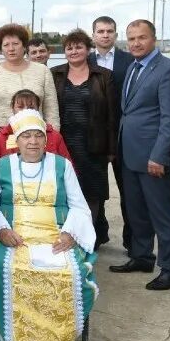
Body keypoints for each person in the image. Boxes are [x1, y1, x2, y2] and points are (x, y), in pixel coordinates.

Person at [0, 109, 97, 341]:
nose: (32, 142)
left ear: (46, 140)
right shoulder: (2, 165)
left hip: (53, 232)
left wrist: (69, 233)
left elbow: (79, 205)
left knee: (69, 272)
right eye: (26, 136)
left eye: (38, 136)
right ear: (16, 141)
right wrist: (0, 230)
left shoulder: (62, 165)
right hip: (14, 233)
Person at [108, 20, 170, 291]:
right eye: (131, 39)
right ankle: (141, 257)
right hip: (129, 155)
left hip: (153, 157)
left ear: (154, 39)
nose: (136, 43)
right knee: (136, 211)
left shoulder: (169, 71)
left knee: (161, 212)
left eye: (142, 38)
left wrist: (160, 156)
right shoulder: (132, 67)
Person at [51, 29, 117, 249]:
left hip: (94, 146)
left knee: (92, 193)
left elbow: (112, 115)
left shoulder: (104, 76)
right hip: (64, 144)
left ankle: (88, 239)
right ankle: (67, 236)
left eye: (78, 46)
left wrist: (111, 148)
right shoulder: (55, 74)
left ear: (88, 49)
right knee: (66, 191)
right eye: (69, 47)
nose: (74, 51)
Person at [88, 15, 135, 250]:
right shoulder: (83, 61)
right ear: (93, 35)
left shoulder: (129, 61)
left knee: (128, 190)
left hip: (123, 135)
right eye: (101, 31)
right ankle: (97, 236)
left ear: (116, 35)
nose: (105, 35)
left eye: (110, 31)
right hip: (93, 137)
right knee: (95, 189)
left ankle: (133, 241)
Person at [0, 23, 59, 133]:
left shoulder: (42, 71)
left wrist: (53, 135)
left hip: (37, 137)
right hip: (1, 139)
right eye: (6, 45)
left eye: (15, 44)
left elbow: (51, 109)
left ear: (24, 46)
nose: (11, 49)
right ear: (1, 48)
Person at [0, 89, 71, 164]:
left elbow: (67, 167)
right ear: (12, 108)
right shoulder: (0, 138)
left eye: (31, 107)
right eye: (20, 107)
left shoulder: (54, 136)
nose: (26, 110)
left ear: (38, 109)